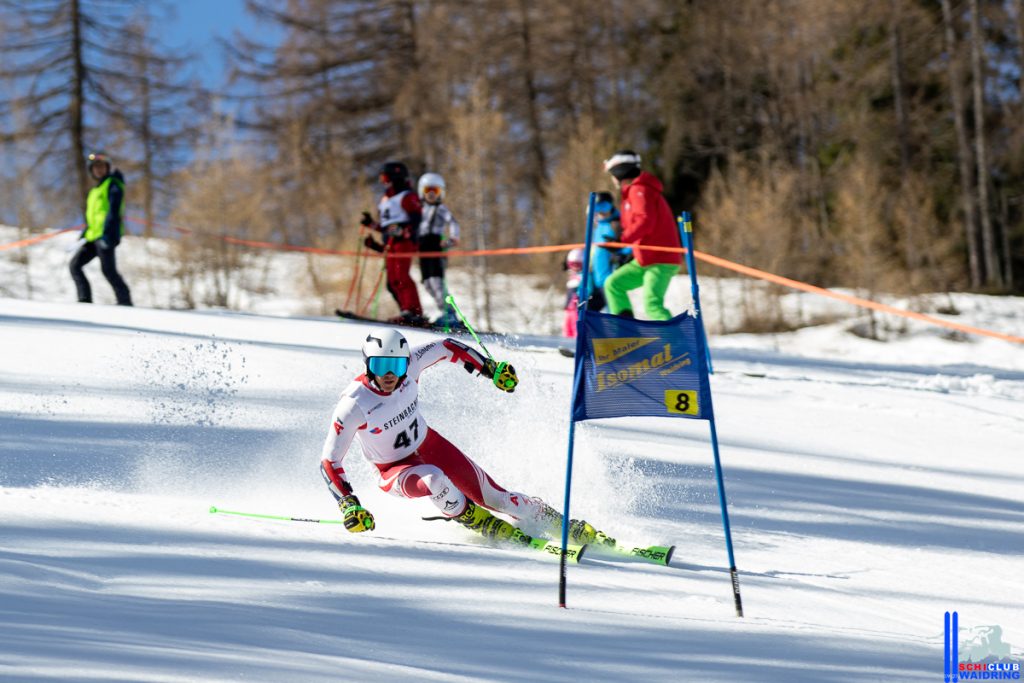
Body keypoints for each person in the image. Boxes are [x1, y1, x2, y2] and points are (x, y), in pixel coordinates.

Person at [319, 327, 613, 548]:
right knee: (434, 479)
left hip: (429, 445)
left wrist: (490, 370)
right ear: (368, 364)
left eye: (395, 366)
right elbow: (330, 461)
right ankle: (477, 520)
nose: (390, 375)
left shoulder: (410, 367)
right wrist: (349, 505)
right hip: (392, 471)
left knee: (500, 497)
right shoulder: (354, 404)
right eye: (382, 366)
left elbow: (446, 346)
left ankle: (563, 525)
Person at [601, 150, 681, 320]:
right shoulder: (632, 193)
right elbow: (638, 228)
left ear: (619, 172)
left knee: (652, 304)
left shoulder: (639, 190)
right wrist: (623, 247)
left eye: (612, 174)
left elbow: (645, 221)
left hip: (661, 259)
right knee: (613, 284)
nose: (612, 179)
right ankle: (626, 329)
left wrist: (621, 240)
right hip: (645, 259)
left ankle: (677, 343)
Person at [361, 162, 424, 324]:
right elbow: (386, 227)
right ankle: (406, 311)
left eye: (386, 178)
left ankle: (414, 312)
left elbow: (417, 216)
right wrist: (371, 225)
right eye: (382, 178)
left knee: (401, 276)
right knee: (392, 282)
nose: (384, 182)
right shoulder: (386, 199)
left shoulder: (406, 196)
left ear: (396, 177)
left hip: (403, 242)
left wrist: (406, 231)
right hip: (391, 242)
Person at [70, 152, 132, 306]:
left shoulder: (113, 184)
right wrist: (86, 232)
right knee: (75, 266)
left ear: (108, 168)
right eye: (95, 167)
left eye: (101, 167)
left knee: (108, 271)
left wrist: (108, 234)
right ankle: (84, 300)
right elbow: (94, 216)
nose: (98, 170)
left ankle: (125, 302)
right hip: (93, 237)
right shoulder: (94, 191)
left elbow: (113, 211)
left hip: (106, 236)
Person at [416, 172, 461, 326]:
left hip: (435, 245)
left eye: (434, 191)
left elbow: (453, 223)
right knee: (427, 282)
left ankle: (450, 314)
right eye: (428, 190)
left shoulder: (441, 208)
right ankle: (445, 312)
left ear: (440, 192)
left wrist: (452, 238)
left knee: (436, 281)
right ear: (421, 191)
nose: (430, 194)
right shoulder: (419, 209)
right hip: (422, 248)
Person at [591, 191, 631, 298]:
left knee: (614, 311)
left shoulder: (617, 223)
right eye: (597, 208)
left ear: (611, 205)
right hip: (596, 279)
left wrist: (618, 252)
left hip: (610, 278)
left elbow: (629, 246)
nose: (601, 212)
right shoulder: (599, 225)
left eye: (604, 207)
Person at [562, 248, 606, 338]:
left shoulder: (585, 276)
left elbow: (589, 288)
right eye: (572, 264)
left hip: (577, 305)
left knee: (576, 323)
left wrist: (581, 296)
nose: (574, 267)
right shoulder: (572, 275)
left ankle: (577, 339)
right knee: (567, 324)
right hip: (569, 306)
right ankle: (567, 338)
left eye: (578, 265)